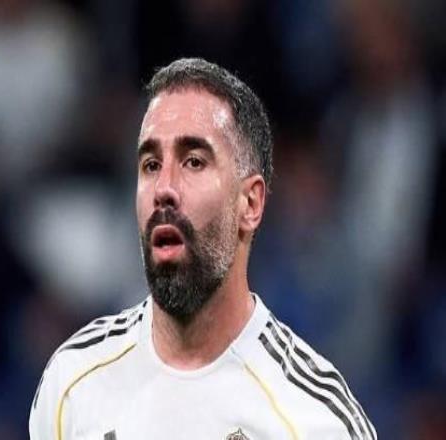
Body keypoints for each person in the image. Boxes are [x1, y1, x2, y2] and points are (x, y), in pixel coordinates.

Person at [29, 58, 377, 440]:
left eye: (193, 162)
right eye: (151, 165)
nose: (164, 188)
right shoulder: (72, 384)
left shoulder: (315, 421)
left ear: (250, 203)